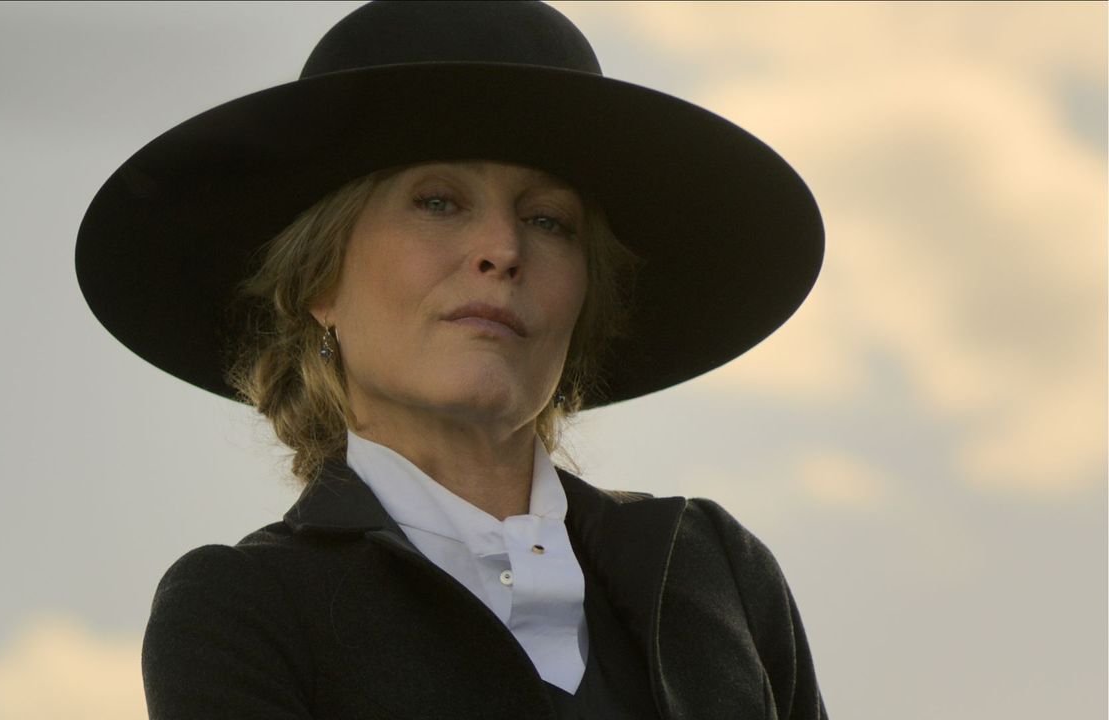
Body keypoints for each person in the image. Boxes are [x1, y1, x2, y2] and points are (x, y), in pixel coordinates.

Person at [76, 2, 828, 718]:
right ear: (319, 281)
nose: (503, 249)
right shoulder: (247, 608)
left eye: (548, 220)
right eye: (438, 202)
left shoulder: (712, 570)